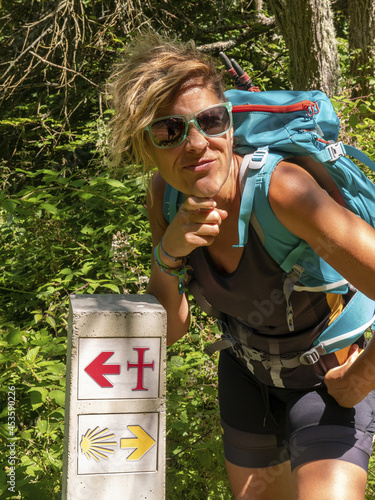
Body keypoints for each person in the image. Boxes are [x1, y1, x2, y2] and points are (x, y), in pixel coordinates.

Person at [109, 32, 375, 500]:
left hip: (327, 382)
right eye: (170, 130)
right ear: (146, 147)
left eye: (211, 120)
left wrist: (362, 378)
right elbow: (169, 330)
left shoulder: (283, 192)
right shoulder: (164, 196)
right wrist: (168, 254)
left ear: (230, 125)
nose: (196, 143)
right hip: (246, 378)